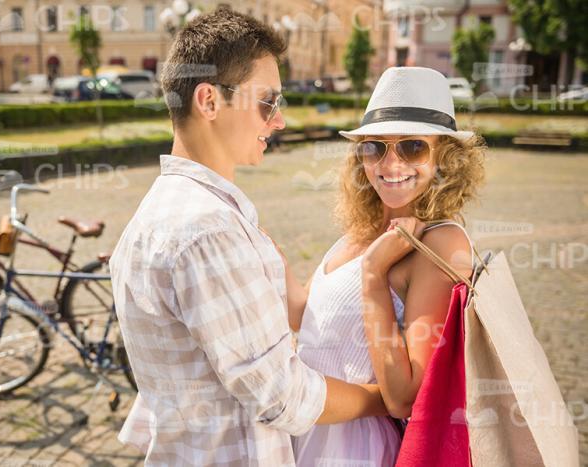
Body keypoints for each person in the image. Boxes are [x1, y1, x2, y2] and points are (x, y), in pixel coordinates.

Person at [109, 9, 390, 466]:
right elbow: (282, 396)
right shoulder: (208, 230)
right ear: (209, 101)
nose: (277, 122)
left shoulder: (158, 213)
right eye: (268, 102)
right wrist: (381, 400)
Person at [288, 66, 486, 466]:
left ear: (445, 157)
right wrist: (260, 254)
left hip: (354, 449)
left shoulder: (441, 243)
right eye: (375, 147)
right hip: (304, 433)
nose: (390, 164)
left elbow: (404, 397)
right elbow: (305, 317)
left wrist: (374, 274)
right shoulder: (361, 230)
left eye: (412, 147)